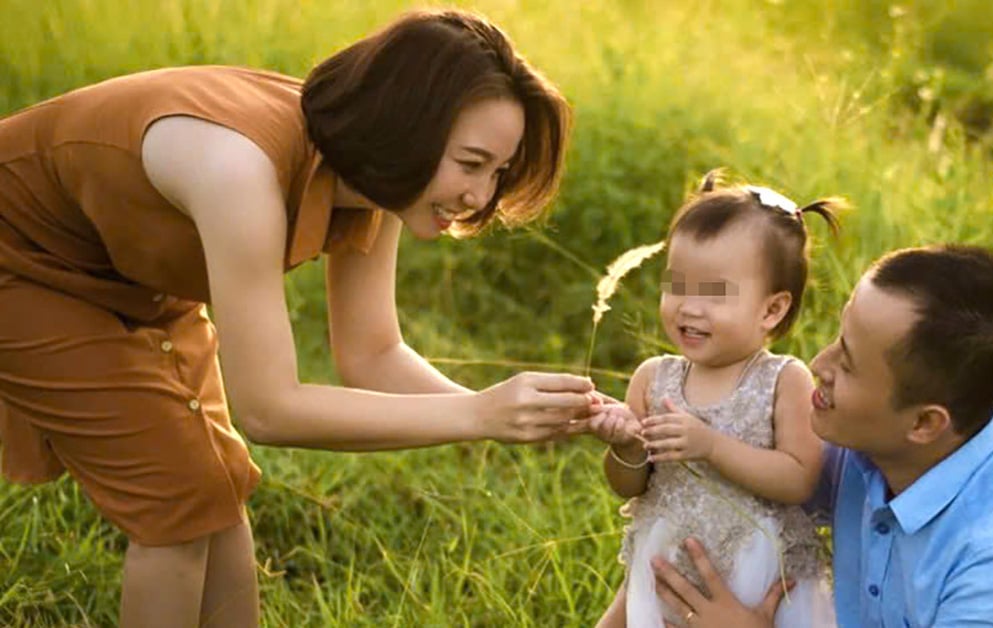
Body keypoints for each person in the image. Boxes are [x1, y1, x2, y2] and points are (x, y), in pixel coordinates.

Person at [0, 9, 596, 627]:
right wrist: (480, 415)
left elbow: (371, 354)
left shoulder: (379, 180)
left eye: (497, 172)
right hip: (21, 258)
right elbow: (269, 409)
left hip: (133, 275)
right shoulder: (239, 168)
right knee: (177, 501)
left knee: (216, 491)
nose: (481, 197)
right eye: (471, 164)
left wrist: (505, 412)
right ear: (406, 128)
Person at [649, 245, 993, 627]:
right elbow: (738, 474)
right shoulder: (881, 442)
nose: (818, 365)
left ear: (924, 424)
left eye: (847, 364)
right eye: (838, 339)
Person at [587, 173, 839, 627]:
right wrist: (624, 447)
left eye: (715, 293)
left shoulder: (783, 380)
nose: (689, 307)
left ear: (771, 310)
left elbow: (800, 477)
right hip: (666, 569)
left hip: (756, 582)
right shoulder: (652, 378)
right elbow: (631, 486)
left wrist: (711, 446)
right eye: (676, 285)